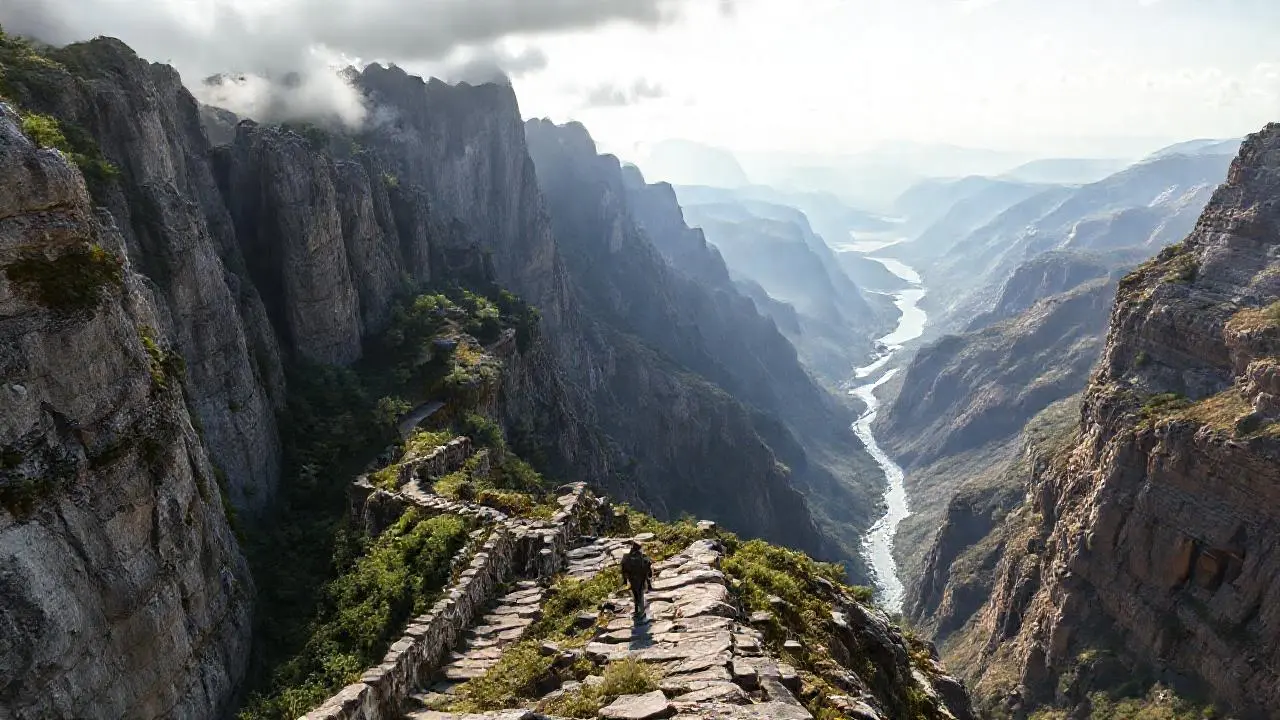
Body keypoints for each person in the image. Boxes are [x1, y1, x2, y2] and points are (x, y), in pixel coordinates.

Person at [619, 541, 653, 619]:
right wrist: (648, 581)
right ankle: (640, 612)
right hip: (640, 578)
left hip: (633, 579)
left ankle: (638, 610)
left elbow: (623, 568)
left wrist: (624, 580)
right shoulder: (642, 556)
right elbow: (648, 566)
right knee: (640, 594)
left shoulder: (626, 556)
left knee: (636, 594)